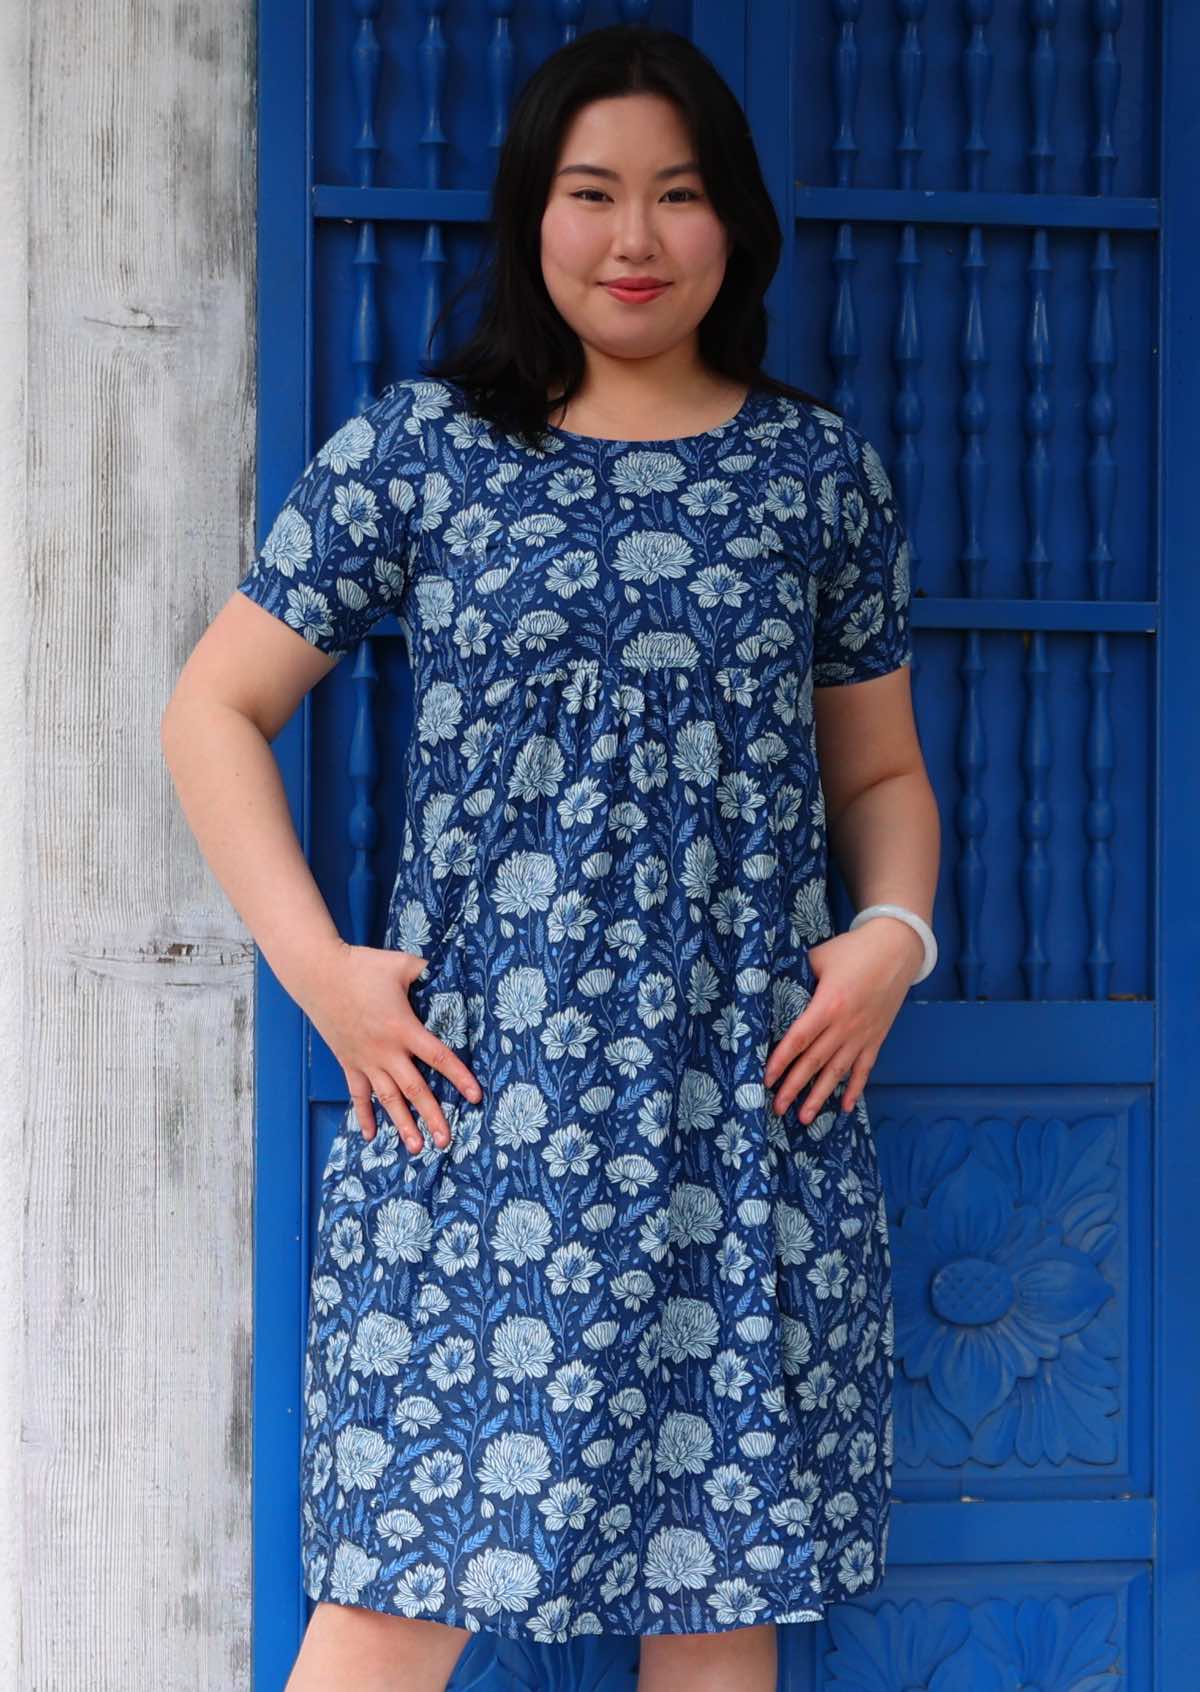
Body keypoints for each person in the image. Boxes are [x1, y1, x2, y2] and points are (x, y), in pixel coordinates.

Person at [161, 22, 940, 1692]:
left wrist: (894, 936)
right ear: (534, 215)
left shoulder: (818, 476)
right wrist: (324, 977)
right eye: (593, 194)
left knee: (717, 1590)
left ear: (732, 222)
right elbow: (214, 710)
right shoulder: (426, 451)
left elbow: (878, 767)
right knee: (393, 1589)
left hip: (745, 1105)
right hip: (470, 1104)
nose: (635, 238)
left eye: (678, 194)